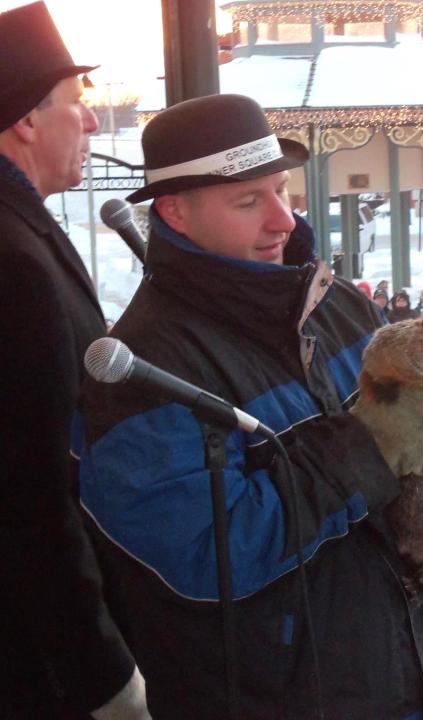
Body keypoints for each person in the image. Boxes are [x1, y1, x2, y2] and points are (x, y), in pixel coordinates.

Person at [77, 95, 423, 718]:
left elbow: (417, 447)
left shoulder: (338, 306)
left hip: (410, 688)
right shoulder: (139, 373)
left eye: (281, 190)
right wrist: (370, 448)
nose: (282, 220)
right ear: (174, 212)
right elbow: (205, 558)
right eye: (248, 201)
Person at [0, 3, 148, 717]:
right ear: (27, 119)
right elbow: (31, 488)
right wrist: (100, 669)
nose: (92, 124)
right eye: (78, 106)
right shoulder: (13, 260)